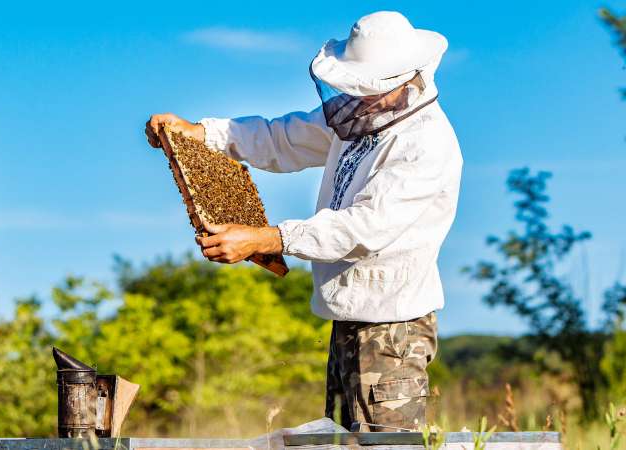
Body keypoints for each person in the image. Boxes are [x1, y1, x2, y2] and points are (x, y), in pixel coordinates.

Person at [145, 11, 462, 432]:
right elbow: (283, 137)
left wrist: (268, 238)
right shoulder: (361, 118)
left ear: (401, 81)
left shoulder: (424, 144)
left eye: (363, 88)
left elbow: (362, 228)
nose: (353, 97)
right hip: (349, 322)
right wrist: (203, 134)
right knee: (339, 444)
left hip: (392, 331)